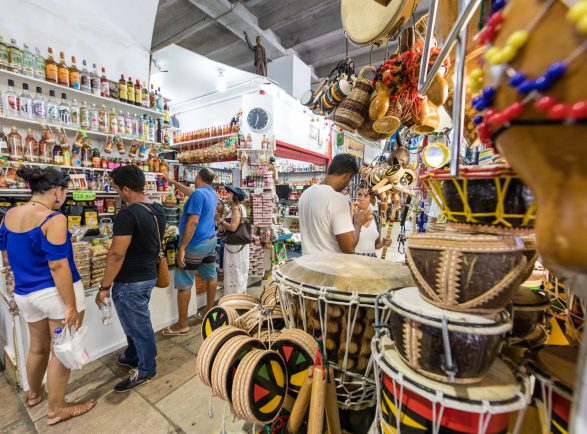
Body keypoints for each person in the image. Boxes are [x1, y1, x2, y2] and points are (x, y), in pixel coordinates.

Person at [0, 167, 96, 425]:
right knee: (61, 350)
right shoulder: (53, 219)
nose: (64, 198)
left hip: (25, 294)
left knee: (38, 347)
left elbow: (7, 257)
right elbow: (58, 265)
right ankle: (56, 409)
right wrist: (70, 306)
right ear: (57, 191)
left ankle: (33, 395)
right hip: (54, 294)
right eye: (65, 193)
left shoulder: (9, 215)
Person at [95, 165, 166, 392]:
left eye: (116, 188)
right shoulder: (157, 209)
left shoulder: (127, 214)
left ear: (126, 189)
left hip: (129, 282)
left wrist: (104, 286)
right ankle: (134, 353)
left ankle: (147, 368)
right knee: (135, 323)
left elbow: (117, 253)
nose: (116, 192)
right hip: (147, 276)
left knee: (138, 326)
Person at [162, 168, 218, 335]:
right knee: (211, 276)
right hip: (210, 241)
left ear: (198, 177)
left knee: (184, 284)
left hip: (195, 244)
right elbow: (191, 192)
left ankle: (182, 325)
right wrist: (172, 183)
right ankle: (209, 312)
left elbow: (192, 222)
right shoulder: (210, 193)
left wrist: (182, 248)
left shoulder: (198, 195)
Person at [299, 153, 373, 255]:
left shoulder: (306, 194)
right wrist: (358, 222)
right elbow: (348, 247)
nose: (348, 184)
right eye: (350, 181)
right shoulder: (338, 200)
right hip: (329, 268)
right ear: (347, 176)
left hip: (308, 264)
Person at [219, 187, 249, 294]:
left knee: (235, 270)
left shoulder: (236, 208)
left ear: (235, 196)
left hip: (234, 245)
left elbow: (233, 227)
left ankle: (234, 297)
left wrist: (222, 221)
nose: (227, 195)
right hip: (240, 244)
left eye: (230, 194)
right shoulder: (242, 207)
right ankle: (240, 296)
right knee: (239, 271)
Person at [354, 186, 391, 257]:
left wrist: (383, 243)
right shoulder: (351, 216)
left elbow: (376, 245)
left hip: (371, 261)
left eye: (366, 196)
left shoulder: (377, 218)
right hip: (353, 261)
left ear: (371, 199)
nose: (361, 198)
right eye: (359, 195)